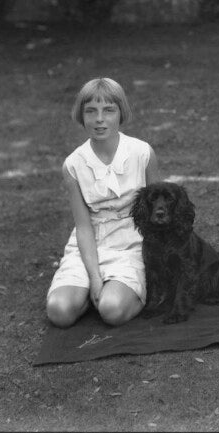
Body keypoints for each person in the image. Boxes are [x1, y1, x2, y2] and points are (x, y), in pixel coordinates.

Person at [46, 78, 159, 328]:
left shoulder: (142, 153)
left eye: (108, 110)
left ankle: (123, 292)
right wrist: (95, 276)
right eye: (91, 111)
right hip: (90, 243)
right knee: (59, 311)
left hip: (132, 242)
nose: (99, 119)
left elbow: (158, 213)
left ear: (121, 113)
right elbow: (83, 226)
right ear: (81, 115)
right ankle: (87, 291)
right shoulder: (73, 164)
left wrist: (159, 267)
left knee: (112, 310)